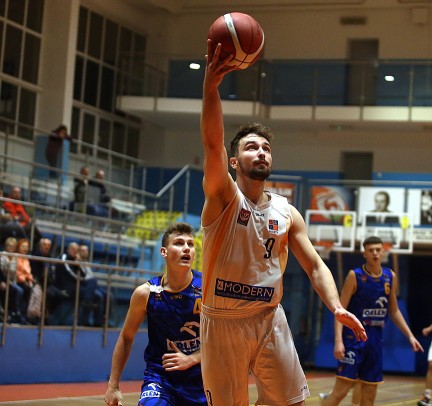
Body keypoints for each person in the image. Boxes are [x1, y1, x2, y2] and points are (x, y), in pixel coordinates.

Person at [199, 40, 367, 405]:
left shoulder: (287, 212)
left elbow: (315, 266)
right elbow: (212, 144)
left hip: (268, 316)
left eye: (266, 148)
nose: (261, 151)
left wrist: (336, 307)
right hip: (222, 320)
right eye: (251, 147)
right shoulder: (223, 197)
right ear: (233, 162)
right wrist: (211, 88)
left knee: (292, 403)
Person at [104, 222, 206, 406]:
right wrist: (113, 386)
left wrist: (191, 359)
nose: (186, 248)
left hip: (202, 378)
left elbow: (224, 338)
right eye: (179, 243)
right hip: (161, 377)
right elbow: (126, 337)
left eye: (190, 244)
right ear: (163, 252)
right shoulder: (146, 293)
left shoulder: (208, 288)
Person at [320, 236, 423, 406]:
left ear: (383, 251)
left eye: (378, 249)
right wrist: (338, 341)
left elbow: (394, 311)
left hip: (375, 340)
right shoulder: (355, 276)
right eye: (371, 250)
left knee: (369, 395)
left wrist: (410, 336)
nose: (375, 253)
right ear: (364, 253)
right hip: (353, 339)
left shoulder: (390, 276)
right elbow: (340, 310)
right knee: (340, 392)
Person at [78, 244, 106, 327]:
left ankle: (103, 320)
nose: (85, 252)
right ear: (79, 252)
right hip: (84, 285)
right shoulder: (76, 262)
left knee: (108, 295)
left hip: (91, 286)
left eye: (86, 250)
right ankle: (85, 320)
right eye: (83, 250)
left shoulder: (87, 263)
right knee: (97, 296)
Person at [0, 237, 26, 323]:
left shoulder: (15, 257)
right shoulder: (2, 256)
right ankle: (13, 312)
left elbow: (14, 273)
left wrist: (13, 282)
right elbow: (1, 272)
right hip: (2, 280)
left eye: (13, 246)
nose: (11, 248)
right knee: (18, 290)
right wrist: (3, 282)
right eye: (10, 246)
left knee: (20, 289)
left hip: (10, 281)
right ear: (6, 246)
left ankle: (15, 313)